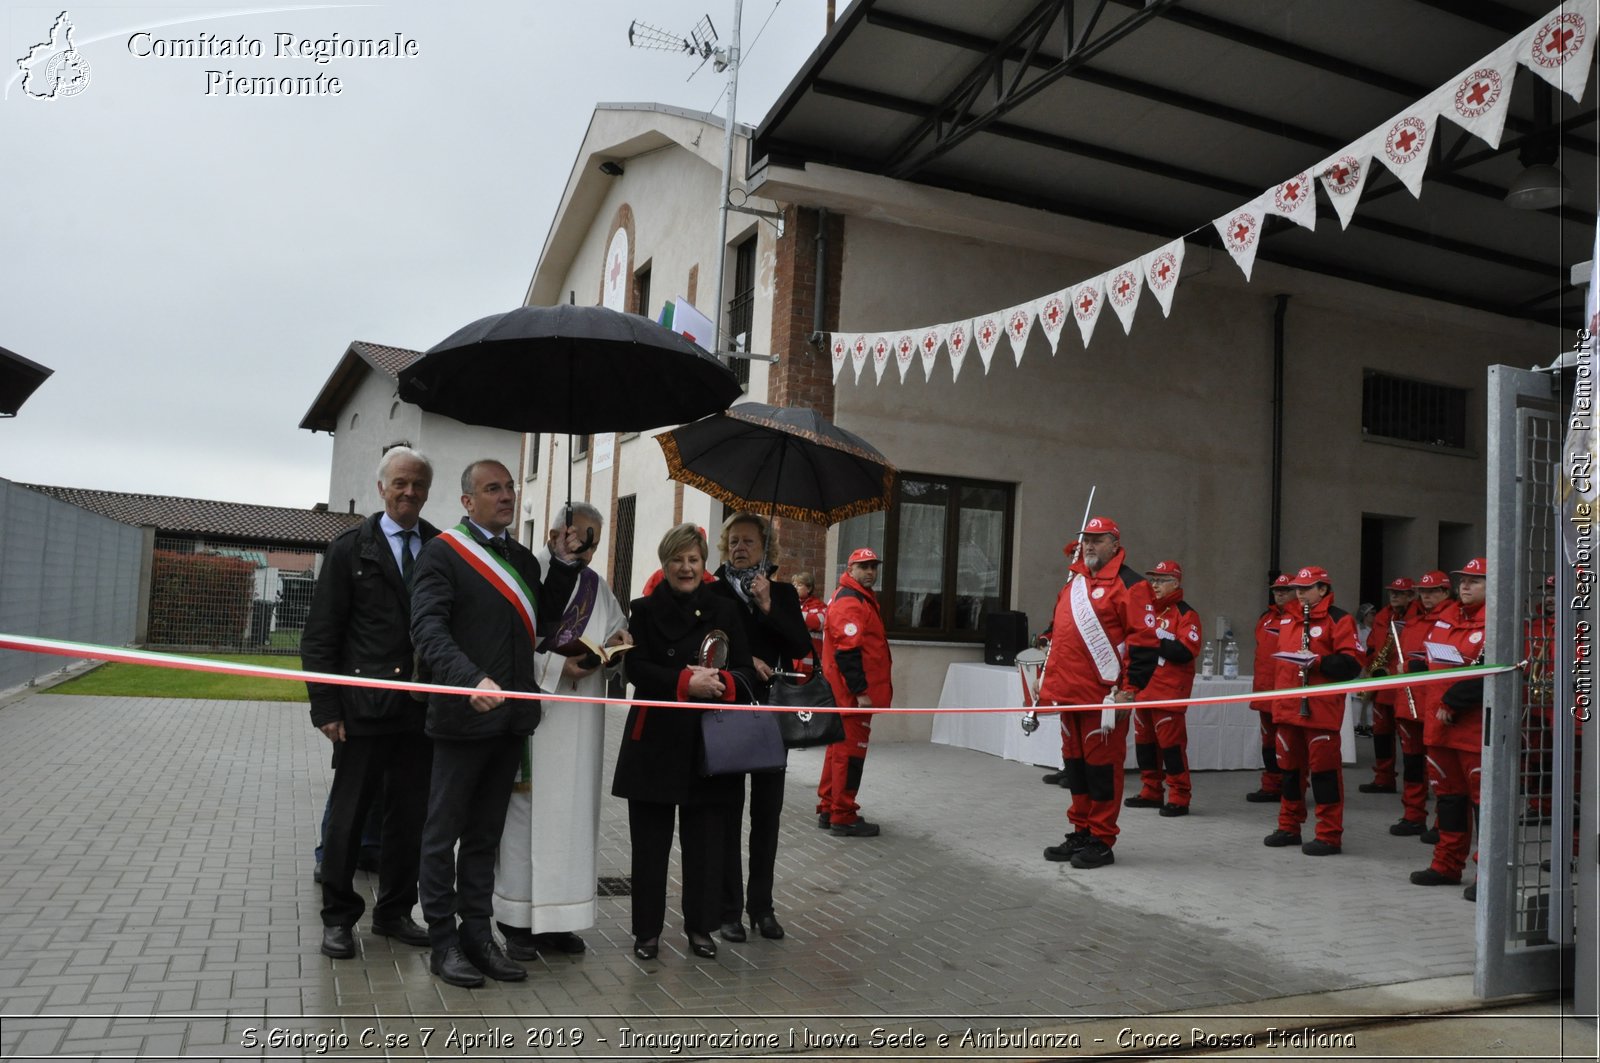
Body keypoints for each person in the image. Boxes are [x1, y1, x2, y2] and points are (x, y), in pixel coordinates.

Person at [410, 459, 583, 988]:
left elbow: (540, 624)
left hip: (511, 720)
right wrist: (471, 679)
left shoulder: (523, 561)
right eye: (493, 489)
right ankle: (443, 942)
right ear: (467, 502)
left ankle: (478, 936)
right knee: (443, 836)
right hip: (463, 719)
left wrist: (565, 564)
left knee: (486, 837)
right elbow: (428, 630)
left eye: (509, 487)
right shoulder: (443, 555)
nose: (506, 495)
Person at [302, 446, 439, 961]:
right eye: (400, 483)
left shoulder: (440, 547)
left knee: (410, 818)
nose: (409, 492)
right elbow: (321, 636)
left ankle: (396, 913)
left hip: (420, 710)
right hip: (363, 710)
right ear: (382, 487)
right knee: (349, 818)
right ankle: (338, 918)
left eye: (419, 485)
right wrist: (326, 707)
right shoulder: (349, 550)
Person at [493, 502, 629, 961]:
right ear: (555, 534)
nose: (584, 548)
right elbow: (506, 644)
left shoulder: (597, 586)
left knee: (572, 818)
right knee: (526, 818)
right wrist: (555, 665)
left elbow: (617, 631)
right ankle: (515, 920)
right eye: (577, 537)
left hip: (581, 721)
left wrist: (615, 647)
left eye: (593, 540)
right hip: (538, 717)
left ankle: (560, 920)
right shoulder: (527, 576)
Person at [613, 523, 752, 961]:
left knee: (705, 842)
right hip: (654, 739)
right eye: (678, 559)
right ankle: (647, 932)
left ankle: (700, 927)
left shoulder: (725, 611)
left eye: (693, 559)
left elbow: (746, 672)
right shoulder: (643, 610)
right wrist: (683, 682)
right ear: (665, 563)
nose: (686, 567)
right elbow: (636, 671)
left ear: (704, 564)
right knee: (650, 844)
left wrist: (721, 683)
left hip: (707, 743)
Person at [707, 513, 811, 943]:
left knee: (767, 815)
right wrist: (745, 662)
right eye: (732, 541)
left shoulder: (782, 592)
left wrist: (767, 606)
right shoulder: (712, 591)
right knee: (728, 814)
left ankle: (762, 908)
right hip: (729, 709)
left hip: (771, 714)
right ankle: (728, 910)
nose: (739, 548)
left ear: (765, 548)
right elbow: (708, 648)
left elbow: (801, 646)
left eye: (748, 541)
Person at [1037, 517, 1153, 869]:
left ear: (1115, 544)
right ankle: (1081, 829)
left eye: (1098, 540)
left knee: (1102, 770)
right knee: (1075, 768)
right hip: (1069, 693)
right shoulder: (1074, 583)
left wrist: (1129, 692)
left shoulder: (1132, 585)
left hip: (1105, 696)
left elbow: (1144, 644)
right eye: (1086, 539)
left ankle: (1102, 838)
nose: (1089, 545)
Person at [1265, 566, 1362, 856]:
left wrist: (1317, 662)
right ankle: (1289, 826)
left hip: (1320, 710)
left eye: (1307, 588)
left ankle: (1329, 834)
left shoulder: (1339, 619)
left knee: (1324, 775)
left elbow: (1351, 665)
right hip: (1287, 707)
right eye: (1298, 588)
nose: (1300, 593)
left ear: (1323, 589)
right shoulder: (1288, 619)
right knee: (1290, 772)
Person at [1410, 558, 1487, 900]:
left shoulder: (1499, 623)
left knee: (1484, 805)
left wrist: (1455, 700)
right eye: (1463, 581)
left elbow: (1497, 672)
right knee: (1449, 800)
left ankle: (1487, 874)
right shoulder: (1446, 618)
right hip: (1439, 728)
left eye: (1475, 581)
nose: (1465, 587)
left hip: (1473, 730)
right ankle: (1446, 865)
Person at [819, 547, 893, 838]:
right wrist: (861, 692)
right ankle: (843, 815)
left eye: (874, 567)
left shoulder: (855, 597)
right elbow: (847, 653)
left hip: (844, 694)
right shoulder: (851, 601)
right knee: (850, 755)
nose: (870, 572)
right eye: (863, 567)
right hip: (851, 697)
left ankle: (829, 808)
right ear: (850, 570)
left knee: (837, 752)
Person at [1123, 560, 1202, 817]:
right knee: (1144, 745)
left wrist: (1151, 640)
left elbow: (1185, 651)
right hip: (1144, 689)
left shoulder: (1185, 614)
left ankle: (1180, 796)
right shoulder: (1145, 612)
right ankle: (1151, 791)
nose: (1154, 585)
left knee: (1171, 748)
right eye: (1153, 580)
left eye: (1161, 580)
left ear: (1175, 583)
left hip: (1169, 692)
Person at [1391, 571, 1455, 841]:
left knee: (1439, 768)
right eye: (1423, 592)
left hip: (1436, 702)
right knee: (1412, 763)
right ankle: (1413, 814)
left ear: (1445, 593)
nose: (1427, 596)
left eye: (1433, 591)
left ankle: (1444, 822)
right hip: (1409, 702)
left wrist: (1413, 666)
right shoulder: (1413, 621)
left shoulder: (1451, 620)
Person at [1358, 577, 1418, 798]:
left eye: (1400, 593)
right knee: (1381, 735)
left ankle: (1418, 787)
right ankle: (1383, 778)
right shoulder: (1383, 616)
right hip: (1382, 683)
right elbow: (1373, 646)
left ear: (1411, 596)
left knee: (1409, 740)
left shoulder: (1418, 617)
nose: (1394, 596)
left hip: (1404, 684)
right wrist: (1368, 667)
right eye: (1392, 592)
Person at [1245, 575, 1295, 803]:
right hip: (1265, 691)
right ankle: (1271, 785)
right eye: (1277, 591)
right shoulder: (1265, 618)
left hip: (1286, 693)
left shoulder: (1299, 619)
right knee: (1268, 742)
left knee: (1288, 744)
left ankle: (1293, 788)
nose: (1280, 594)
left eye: (1285, 590)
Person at [792, 571, 826, 676]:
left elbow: (819, 622)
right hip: (793, 660)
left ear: (809, 588)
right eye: (794, 585)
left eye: (800, 585)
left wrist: (797, 615)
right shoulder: (791, 604)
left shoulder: (819, 605)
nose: (795, 587)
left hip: (812, 661)